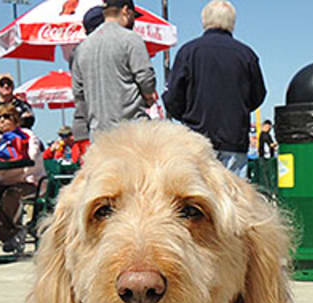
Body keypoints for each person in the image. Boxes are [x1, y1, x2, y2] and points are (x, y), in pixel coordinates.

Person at [164, 0, 266, 176]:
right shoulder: (246, 55)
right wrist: (239, 111)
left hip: (195, 139)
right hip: (234, 138)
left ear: (204, 21)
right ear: (232, 23)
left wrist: (187, 116)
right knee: (234, 198)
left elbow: (173, 98)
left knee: (199, 197)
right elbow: (258, 95)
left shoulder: (188, 52)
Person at [71, 0, 158, 154]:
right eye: (133, 17)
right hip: (132, 132)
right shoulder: (131, 39)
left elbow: (79, 94)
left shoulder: (82, 49)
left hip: (99, 137)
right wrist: (148, 94)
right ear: (126, 10)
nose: (133, 22)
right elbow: (145, 77)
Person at [0, 103, 46, 254]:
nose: (2, 120)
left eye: (6, 117)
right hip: (4, 182)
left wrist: (12, 151)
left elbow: (32, 157)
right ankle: (13, 234)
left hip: (30, 181)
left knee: (10, 195)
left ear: (15, 119)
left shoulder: (25, 135)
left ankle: (10, 235)